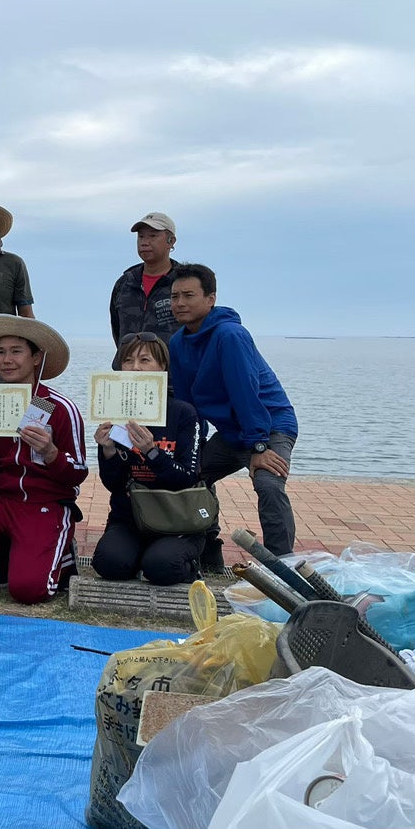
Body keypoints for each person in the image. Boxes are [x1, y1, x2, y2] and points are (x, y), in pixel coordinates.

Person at [168, 263, 298, 560]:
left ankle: (283, 565)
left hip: (270, 424)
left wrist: (259, 446)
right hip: (232, 432)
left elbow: (246, 393)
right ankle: (206, 546)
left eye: (189, 295)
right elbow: (189, 403)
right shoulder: (178, 342)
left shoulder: (230, 335)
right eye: (175, 297)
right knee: (190, 474)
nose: (180, 303)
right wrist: (190, 446)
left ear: (210, 299)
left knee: (268, 484)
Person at [0, 315, 88, 604]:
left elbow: (78, 472)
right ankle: (9, 555)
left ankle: (61, 556)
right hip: (0, 498)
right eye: (0, 352)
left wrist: (52, 453)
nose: (7, 360)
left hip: (45, 503)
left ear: (36, 357)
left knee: (29, 590)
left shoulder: (59, 407)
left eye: (16, 351)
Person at [90, 333, 204, 585]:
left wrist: (152, 453)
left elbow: (188, 477)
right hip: (129, 517)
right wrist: (108, 451)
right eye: (128, 360)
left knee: (162, 567)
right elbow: (113, 484)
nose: (135, 367)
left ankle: (187, 557)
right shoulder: (116, 413)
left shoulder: (183, 413)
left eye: (145, 360)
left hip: (177, 518)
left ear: (162, 367)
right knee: (109, 564)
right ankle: (138, 554)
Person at [109, 212, 181, 358]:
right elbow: (117, 329)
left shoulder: (183, 282)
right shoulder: (125, 283)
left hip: (174, 375)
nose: (145, 242)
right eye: (141, 236)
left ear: (171, 241)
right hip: (129, 374)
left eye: (153, 236)